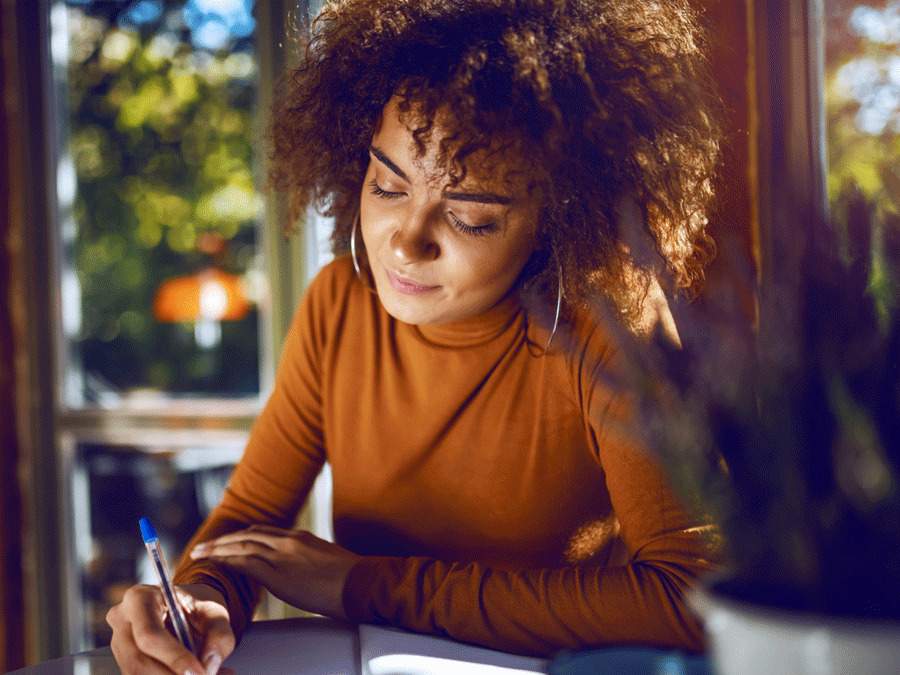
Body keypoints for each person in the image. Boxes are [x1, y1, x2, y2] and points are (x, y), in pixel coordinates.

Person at [106, 0, 724, 673]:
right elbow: (252, 518)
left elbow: (691, 594)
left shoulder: (611, 323)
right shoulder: (338, 303)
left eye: (470, 218)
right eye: (386, 184)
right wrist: (197, 597)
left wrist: (366, 585)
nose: (405, 240)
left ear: (558, 222)